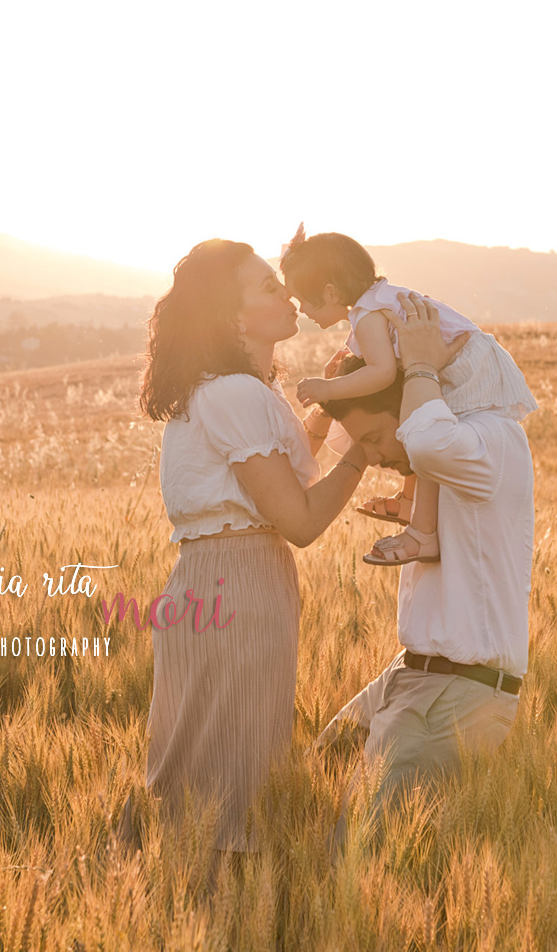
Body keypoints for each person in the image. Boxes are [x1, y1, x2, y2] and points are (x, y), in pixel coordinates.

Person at [132, 238, 369, 855]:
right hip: (239, 585)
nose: (287, 293)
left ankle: (183, 907)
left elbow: (282, 473)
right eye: (267, 286)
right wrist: (367, 449)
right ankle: (218, 918)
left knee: (200, 769)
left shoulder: (225, 390)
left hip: (212, 579)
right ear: (232, 317)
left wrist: (337, 402)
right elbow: (300, 519)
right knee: (234, 772)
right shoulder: (235, 395)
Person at [312, 290, 534, 852]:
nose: (376, 456)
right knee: (320, 767)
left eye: (375, 439)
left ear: (412, 407)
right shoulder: (444, 461)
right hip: (414, 674)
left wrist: (415, 364)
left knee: (358, 849)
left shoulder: (490, 438)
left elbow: (425, 436)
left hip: (456, 687)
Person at [279, 224, 538, 567]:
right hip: (470, 362)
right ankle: (411, 503)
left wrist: (329, 388)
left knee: (425, 432)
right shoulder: (376, 303)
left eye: (303, 300)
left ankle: (422, 532)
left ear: (329, 293)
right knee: (420, 427)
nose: (302, 311)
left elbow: (382, 373)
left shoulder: (368, 315)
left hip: (463, 370)